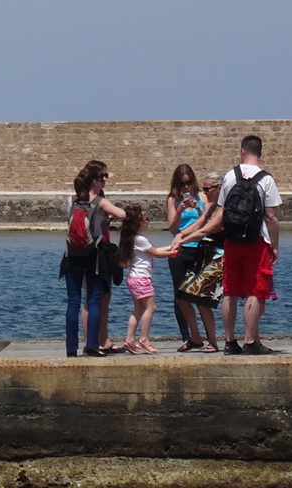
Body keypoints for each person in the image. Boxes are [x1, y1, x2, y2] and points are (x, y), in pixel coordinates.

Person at [173, 135, 282, 355]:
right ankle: (250, 341)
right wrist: (274, 245)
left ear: (242, 151)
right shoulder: (266, 179)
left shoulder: (230, 176)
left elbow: (222, 211)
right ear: (259, 152)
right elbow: (271, 216)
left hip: (231, 240)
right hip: (257, 240)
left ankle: (230, 341)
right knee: (254, 291)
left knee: (230, 291)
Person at [61, 162, 127, 357]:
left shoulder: (70, 200)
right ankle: (92, 345)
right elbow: (122, 214)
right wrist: (108, 218)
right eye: (103, 177)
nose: (105, 180)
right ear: (95, 181)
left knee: (73, 302)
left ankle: (71, 348)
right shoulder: (100, 202)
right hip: (93, 256)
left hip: (71, 255)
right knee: (94, 299)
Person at [165, 164, 219, 352]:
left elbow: (208, 222)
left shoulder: (203, 196)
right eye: (182, 184)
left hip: (200, 248)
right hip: (180, 249)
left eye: (188, 183)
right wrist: (179, 210)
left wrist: (198, 209)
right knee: (181, 296)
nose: (186, 187)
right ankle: (193, 336)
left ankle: (212, 339)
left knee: (201, 297)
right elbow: (173, 228)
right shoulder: (173, 199)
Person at [118, 203, 177, 354]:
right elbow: (156, 254)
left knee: (139, 309)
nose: (148, 222)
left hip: (134, 278)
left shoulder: (133, 238)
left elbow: (155, 250)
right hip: (141, 279)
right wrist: (173, 253)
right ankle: (144, 339)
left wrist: (173, 246)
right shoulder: (140, 239)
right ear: (139, 223)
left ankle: (130, 340)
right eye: (146, 219)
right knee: (151, 308)